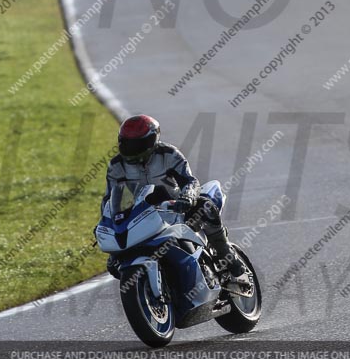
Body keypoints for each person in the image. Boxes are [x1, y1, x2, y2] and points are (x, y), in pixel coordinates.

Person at [100, 114, 245, 279]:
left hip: (175, 206)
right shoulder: (117, 165)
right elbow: (109, 200)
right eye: (128, 144)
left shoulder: (168, 154)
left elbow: (190, 181)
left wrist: (187, 198)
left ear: (152, 140)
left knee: (205, 205)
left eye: (138, 144)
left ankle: (224, 251)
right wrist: (107, 223)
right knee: (114, 264)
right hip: (142, 213)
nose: (132, 149)